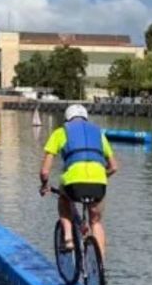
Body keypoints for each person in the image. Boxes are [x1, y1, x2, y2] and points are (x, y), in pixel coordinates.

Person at [39, 104, 117, 260]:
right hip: (98, 184)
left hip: (73, 185)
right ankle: (99, 265)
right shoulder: (99, 134)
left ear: (67, 119)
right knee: (95, 222)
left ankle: (68, 238)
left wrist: (44, 185)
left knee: (63, 198)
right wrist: (101, 177)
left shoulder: (60, 132)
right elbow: (114, 167)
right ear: (86, 118)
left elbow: (45, 171)